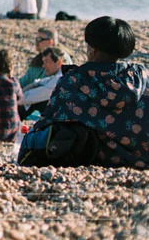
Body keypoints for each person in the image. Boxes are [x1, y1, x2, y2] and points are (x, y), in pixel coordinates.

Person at [24, 16, 149, 168]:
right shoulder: (140, 76)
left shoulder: (75, 80)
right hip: (142, 155)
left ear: (92, 50)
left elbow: (48, 122)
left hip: (95, 157)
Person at [18, 46, 65, 119]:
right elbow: (40, 83)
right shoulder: (59, 75)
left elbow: (38, 94)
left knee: (36, 100)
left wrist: (16, 100)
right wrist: (32, 85)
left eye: (47, 62)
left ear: (59, 63)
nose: (43, 66)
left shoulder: (61, 78)